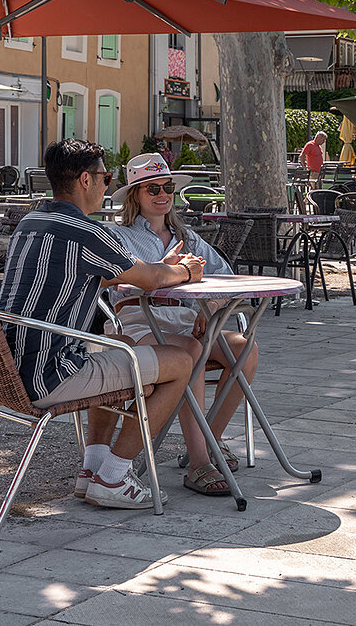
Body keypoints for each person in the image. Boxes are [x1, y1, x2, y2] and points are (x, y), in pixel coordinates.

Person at [0, 139, 205, 509]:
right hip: (50, 376)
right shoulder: (86, 232)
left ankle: (92, 468)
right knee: (181, 362)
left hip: (7, 372)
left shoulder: (31, 222)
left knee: (117, 346)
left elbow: (100, 274)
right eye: (105, 178)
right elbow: (151, 280)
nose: (107, 185)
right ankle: (113, 476)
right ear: (85, 180)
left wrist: (159, 269)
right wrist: (185, 270)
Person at [106, 153, 259, 496]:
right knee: (192, 350)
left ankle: (209, 441)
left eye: (168, 187)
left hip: (186, 320)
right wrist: (167, 268)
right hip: (140, 322)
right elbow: (120, 283)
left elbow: (227, 277)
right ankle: (198, 463)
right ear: (135, 196)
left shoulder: (187, 237)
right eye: (152, 188)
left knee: (245, 349)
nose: (162, 194)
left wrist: (211, 306)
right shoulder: (119, 237)